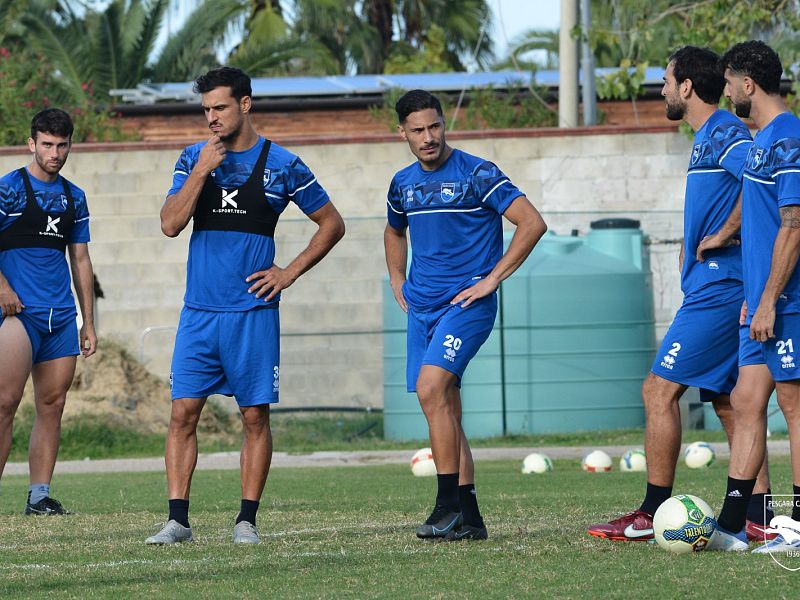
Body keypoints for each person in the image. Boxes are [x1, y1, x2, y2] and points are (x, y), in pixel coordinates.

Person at [145, 67, 345, 545]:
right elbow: (170, 224)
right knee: (182, 412)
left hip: (253, 315)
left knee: (254, 417)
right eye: (206, 110)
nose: (211, 117)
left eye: (220, 107)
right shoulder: (192, 158)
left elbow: (332, 224)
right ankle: (177, 521)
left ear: (245, 104)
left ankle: (246, 521)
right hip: (199, 313)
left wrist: (287, 273)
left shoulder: (283, 164)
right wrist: (201, 171)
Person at [587, 46, 774, 543]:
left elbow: (762, 182)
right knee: (731, 404)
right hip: (713, 285)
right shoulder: (705, 137)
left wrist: (725, 233)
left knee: (658, 389)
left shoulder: (725, 132)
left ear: (687, 86)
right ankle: (759, 515)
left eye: (667, 81)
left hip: (721, 287)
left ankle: (650, 513)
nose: (663, 90)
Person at [384, 89, 547, 540]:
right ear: (403, 133)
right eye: (418, 130)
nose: (428, 137)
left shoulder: (478, 173)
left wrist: (492, 279)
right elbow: (394, 231)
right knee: (445, 407)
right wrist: (397, 278)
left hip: (466, 305)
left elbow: (532, 222)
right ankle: (471, 518)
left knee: (430, 388)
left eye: (435, 126)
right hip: (422, 308)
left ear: (444, 124)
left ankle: (447, 506)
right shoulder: (402, 183)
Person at [705, 41, 800, 552]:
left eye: (728, 83)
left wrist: (769, 299)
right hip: (760, 302)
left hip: (787, 302)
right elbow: (756, 211)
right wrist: (726, 239)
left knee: (794, 403)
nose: (726, 92)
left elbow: (794, 225)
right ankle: (733, 525)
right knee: (745, 401)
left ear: (747, 84)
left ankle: (798, 526)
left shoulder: (789, 138)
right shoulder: (761, 140)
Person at [0, 108, 97, 514]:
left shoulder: (75, 197)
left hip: (61, 317)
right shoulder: (8, 189)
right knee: (5, 403)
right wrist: (3, 287)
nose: (54, 153)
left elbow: (81, 260)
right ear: (31, 144)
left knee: (53, 405)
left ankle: (39, 496)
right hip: (18, 314)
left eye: (62, 145)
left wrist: (88, 321)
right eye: (47, 145)